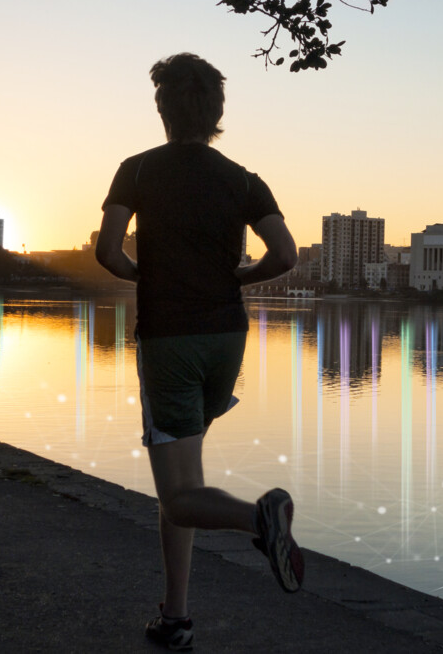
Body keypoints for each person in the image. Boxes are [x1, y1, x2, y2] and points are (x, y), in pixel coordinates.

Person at [95, 53, 303, 651]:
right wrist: (239, 278)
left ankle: (258, 517)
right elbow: (286, 256)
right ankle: (176, 617)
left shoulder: (136, 170)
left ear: (161, 108)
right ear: (217, 113)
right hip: (226, 339)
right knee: (182, 481)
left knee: (180, 492)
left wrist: (146, 274)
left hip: (170, 339)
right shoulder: (243, 179)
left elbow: (108, 252)